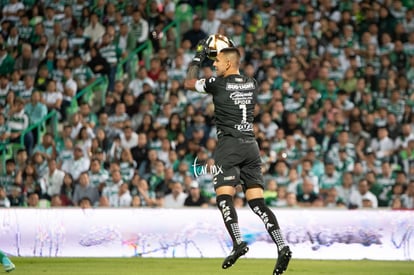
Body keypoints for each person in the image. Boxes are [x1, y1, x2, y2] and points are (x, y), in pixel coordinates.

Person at [184, 42, 291, 275]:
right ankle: (282, 246)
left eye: (217, 61)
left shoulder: (217, 83)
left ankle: (238, 242)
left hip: (229, 146)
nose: (214, 64)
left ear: (229, 63)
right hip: (251, 147)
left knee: (224, 196)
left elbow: (188, 83)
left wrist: (197, 58)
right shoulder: (251, 83)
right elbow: (235, 78)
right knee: (257, 202)